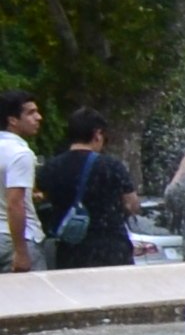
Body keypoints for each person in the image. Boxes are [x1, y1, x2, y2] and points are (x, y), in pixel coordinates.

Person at [29, 109, 136, 272]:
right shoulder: (111, 165)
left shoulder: (51, 167)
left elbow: (37, 196)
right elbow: (131, 204)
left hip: (70, 249)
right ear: (97, 134)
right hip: (110, 247)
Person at [2, 91, 38, 273]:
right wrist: (21, 251)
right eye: (31, 113)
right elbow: (14, 203)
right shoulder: (20, 153)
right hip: (16, 238)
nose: (38, 117)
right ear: (13, 120)